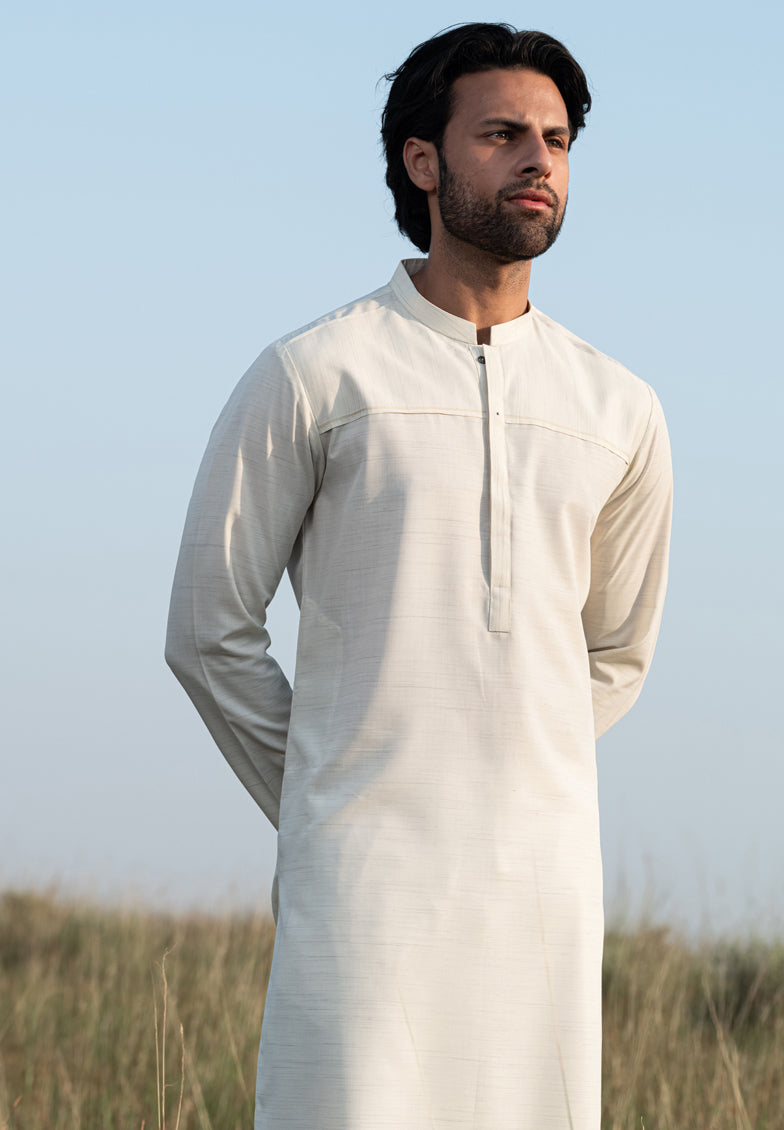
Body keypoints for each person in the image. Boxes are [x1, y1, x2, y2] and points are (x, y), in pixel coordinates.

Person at [166, 22, 672, 1130]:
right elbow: (208, 629)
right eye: (502, 134)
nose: (537, 160)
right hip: (363, 887)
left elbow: (615, 650)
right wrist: (330, 795)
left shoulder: (619, 410)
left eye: (556, 139)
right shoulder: (316, 373)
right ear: (422, 160)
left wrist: (506, 777)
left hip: (544, 886)